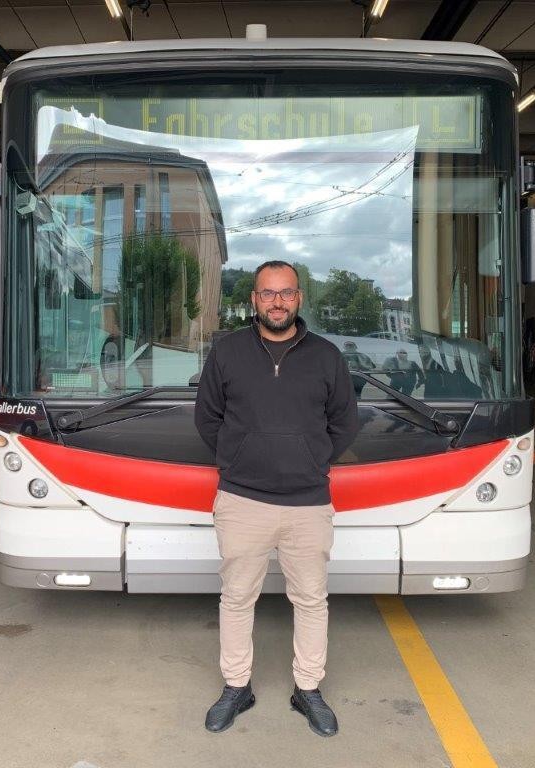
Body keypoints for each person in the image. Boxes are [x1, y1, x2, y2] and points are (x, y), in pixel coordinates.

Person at [195, 260, 360, 737]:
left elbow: (345, 421)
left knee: (311, 600)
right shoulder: (227, 353)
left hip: (308, 502)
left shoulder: (327, 356)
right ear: (254, 299)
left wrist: (312, 459)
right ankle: (236, 687)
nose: (277, 301)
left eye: (286, 292)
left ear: (299, 299)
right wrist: (238, 459)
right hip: (242, 500)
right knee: (237, 597)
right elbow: (207, 418)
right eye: (268, 293)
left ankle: (307, 690)